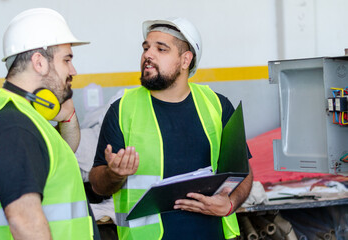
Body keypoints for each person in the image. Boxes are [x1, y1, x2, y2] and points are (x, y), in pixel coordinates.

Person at [89, 17, 253, 240]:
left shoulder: (217, 105)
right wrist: (113, 174)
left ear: (186, 60)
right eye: (146, 48)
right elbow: (98, 183)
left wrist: (230, 203)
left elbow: (244, 172)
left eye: (161, 49)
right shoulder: (122, 109)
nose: (148, 54)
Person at [0, 8, 98, 240]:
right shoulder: (13, 127)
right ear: (39, 62)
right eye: (67, 60)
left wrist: (66, 113)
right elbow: (25, 223)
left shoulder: (26, 116)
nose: (73, 70)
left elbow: (65, 151)